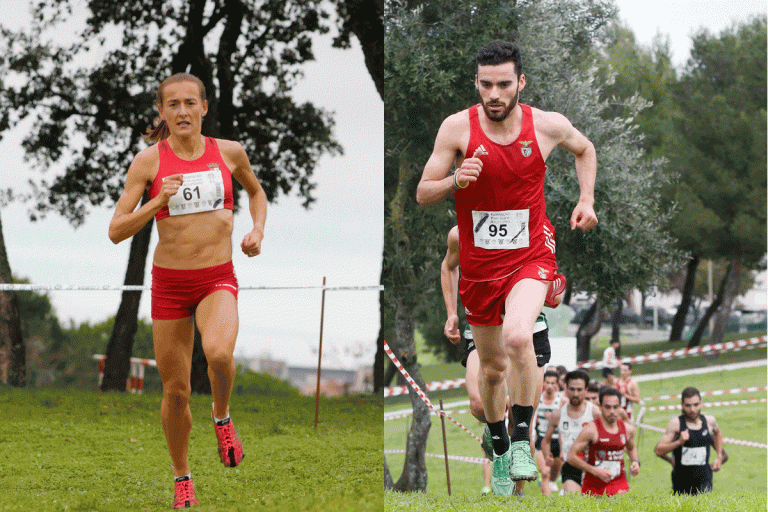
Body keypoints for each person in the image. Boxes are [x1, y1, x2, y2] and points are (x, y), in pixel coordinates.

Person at [418, 39, 597, 496]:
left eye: (502, 84)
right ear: (476, 84)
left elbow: (586, 150)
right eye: (485, 84)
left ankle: (520, 439)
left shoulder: (547, 126)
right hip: (479, 268)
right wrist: (456, 180)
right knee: (493, 370)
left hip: (530, 256)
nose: (493, 94)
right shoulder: (456, 129)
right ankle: (500, 447)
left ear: (520, 82)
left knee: (520, 337)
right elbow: (422, 192)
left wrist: (586, 199)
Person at [109, 73, 267, 509]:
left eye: (189, 103)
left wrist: (257, 229)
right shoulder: (147, 162)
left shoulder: (229, 153)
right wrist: (157, 202)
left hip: (216, 277)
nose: (182, 111)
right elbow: (116, 231)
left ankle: (222, 417)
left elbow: (257, 193)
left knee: (218, 353)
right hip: (170, 286)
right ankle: (182, 476)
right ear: (162, 112)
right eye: (172, 105)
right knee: (175, 392)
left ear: (203, 108)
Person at [441, 225, 560, 496]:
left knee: (523, 426)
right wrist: (451, 313)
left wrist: (550, 290)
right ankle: (495, 436)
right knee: (479, 405)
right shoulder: (460, 233)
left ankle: (513, 496)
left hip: (530, 332)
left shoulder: (533, 223)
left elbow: (554, 285)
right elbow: (449, 266)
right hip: (484, 326)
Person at [566, 387, 640, 496]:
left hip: (620, 486)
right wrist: (595, 471)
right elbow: (571, 457)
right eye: (607, 407)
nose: (612, 411)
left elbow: (631, 447)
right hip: (593, 489)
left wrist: (635, 462)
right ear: (600, 407)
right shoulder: (591, 430)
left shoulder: (627, 429)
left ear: (620, 407)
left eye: (615, 407)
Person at [654, 386, 725, 495]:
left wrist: (719, 455)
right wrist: (679, 442)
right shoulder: (676, 424)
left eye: (696, 405)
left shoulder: (709, 421)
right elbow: (658, 450)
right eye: (688, 405)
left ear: (701, 403)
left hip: (704, 480)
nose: (692, 410)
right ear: (682, 405)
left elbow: (718, 433)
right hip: (682, 482)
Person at [542, 370, 600, 495]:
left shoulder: (595, 413)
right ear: (566, 389)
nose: (575, 393)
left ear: (586, 389)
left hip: (593, 465)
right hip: (570, 465)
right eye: (572, 389)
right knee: (575, 502)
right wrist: (547, 456)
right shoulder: (558, 415)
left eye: (579, 390)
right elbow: (546, 440)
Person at [532, 370, 565, 496]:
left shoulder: (561, 400)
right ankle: (547, 502)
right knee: (545, 472)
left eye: (553, 383)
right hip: (541, 439)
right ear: (543, 383)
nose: (550, 386)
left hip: (557, 439)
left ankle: (552, 483)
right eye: (547, 383)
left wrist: (555, 417)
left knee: (554, 474)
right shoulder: (537, 398)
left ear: (557, 384)